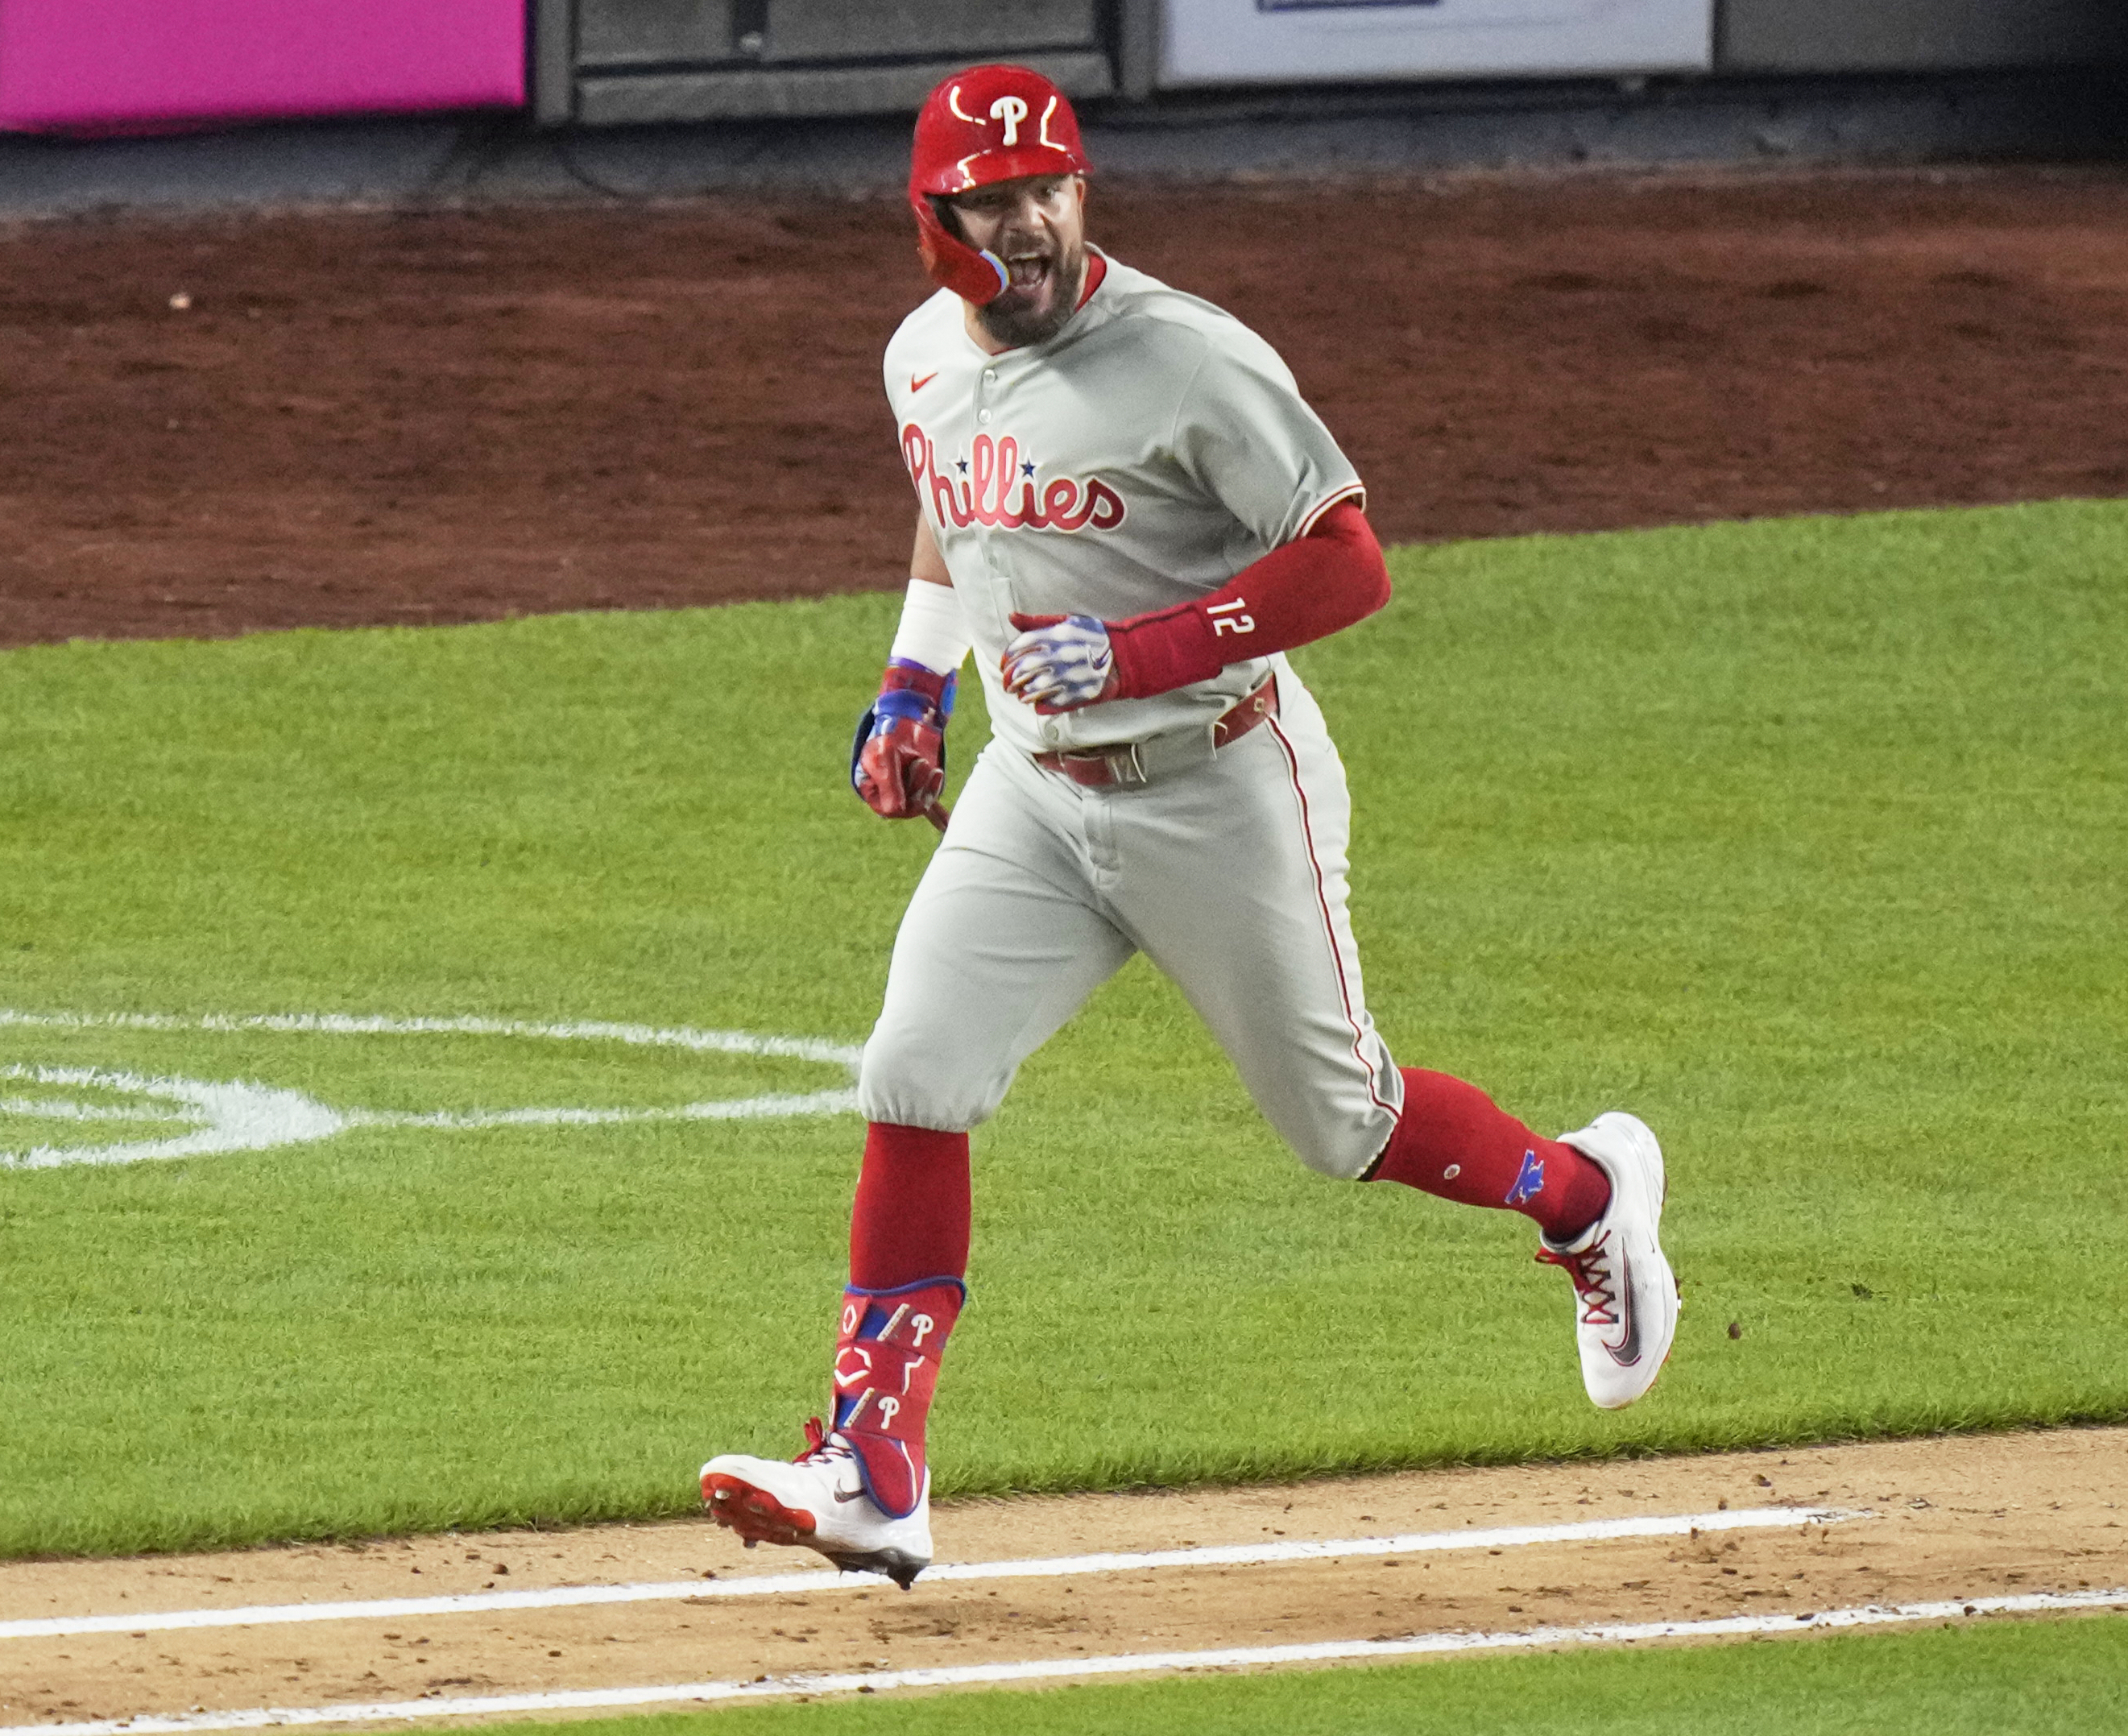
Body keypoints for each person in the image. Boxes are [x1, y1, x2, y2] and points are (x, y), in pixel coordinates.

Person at [700, 64, 1677, 1589]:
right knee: (913, 1068)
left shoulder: (1188, 361)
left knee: (1339, 1122)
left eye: (1050, 190)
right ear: (930, 220)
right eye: (991, 200)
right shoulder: (919, 355)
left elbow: (1347, 562)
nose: (1025, 225)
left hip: (1220, 783)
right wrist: (911, 685)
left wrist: (1144, 647)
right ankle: (874, 1466)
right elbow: (962, 508)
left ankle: (1589, 1200)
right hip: (1036, 791)